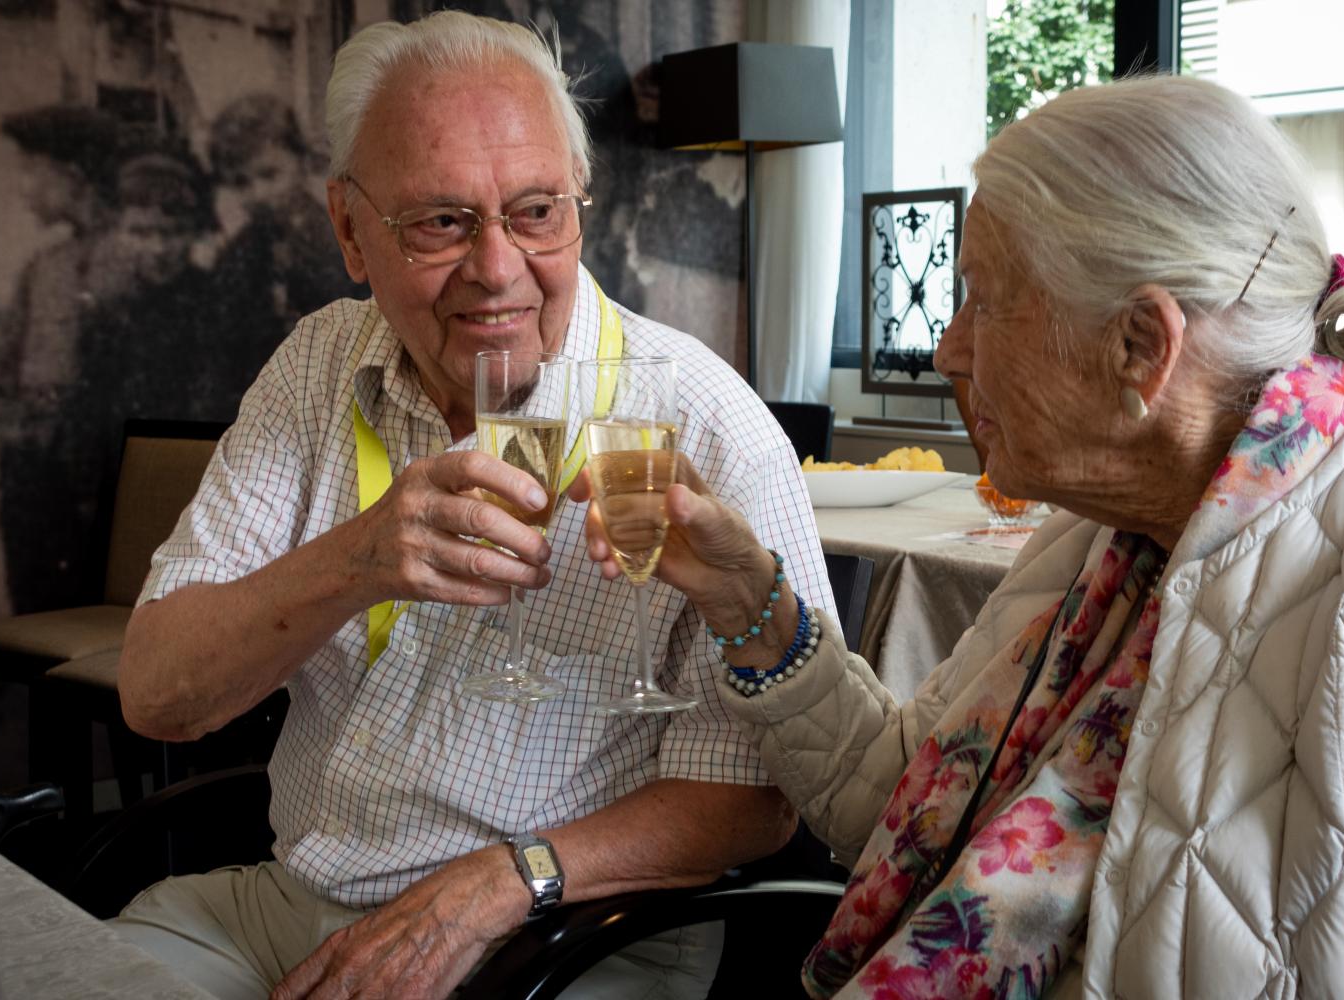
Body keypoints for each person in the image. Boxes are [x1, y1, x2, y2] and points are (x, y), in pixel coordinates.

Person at [571, 74, 1344, 998]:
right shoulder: (1091, 541)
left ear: (1141, 345)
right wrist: (745, 596)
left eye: (983, 298)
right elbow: (893, 805)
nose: (947, 349)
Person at [112, 11, 830, 1000]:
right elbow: (158, 695)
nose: (498, 270)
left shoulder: (703, 425)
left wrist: (506, 879)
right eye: (441, 221)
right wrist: (359, 560)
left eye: (536, 212)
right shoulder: (319, 364)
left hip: (575, 928)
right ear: (350, 230)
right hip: (297, 897)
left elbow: (756, 800)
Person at [0, 104, 127, 611]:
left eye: (32, 169)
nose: (23, 187)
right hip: (34, 476)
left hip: (97, 481)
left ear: (72, 176)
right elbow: (2, 373)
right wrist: (17, 445)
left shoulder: (129, 261)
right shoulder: (43, 268)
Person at [208, 92, 365, 392]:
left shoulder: (342, 240)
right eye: (241, 182)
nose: (257, 194)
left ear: (302, 163)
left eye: (269, 175)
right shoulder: (237, 256)